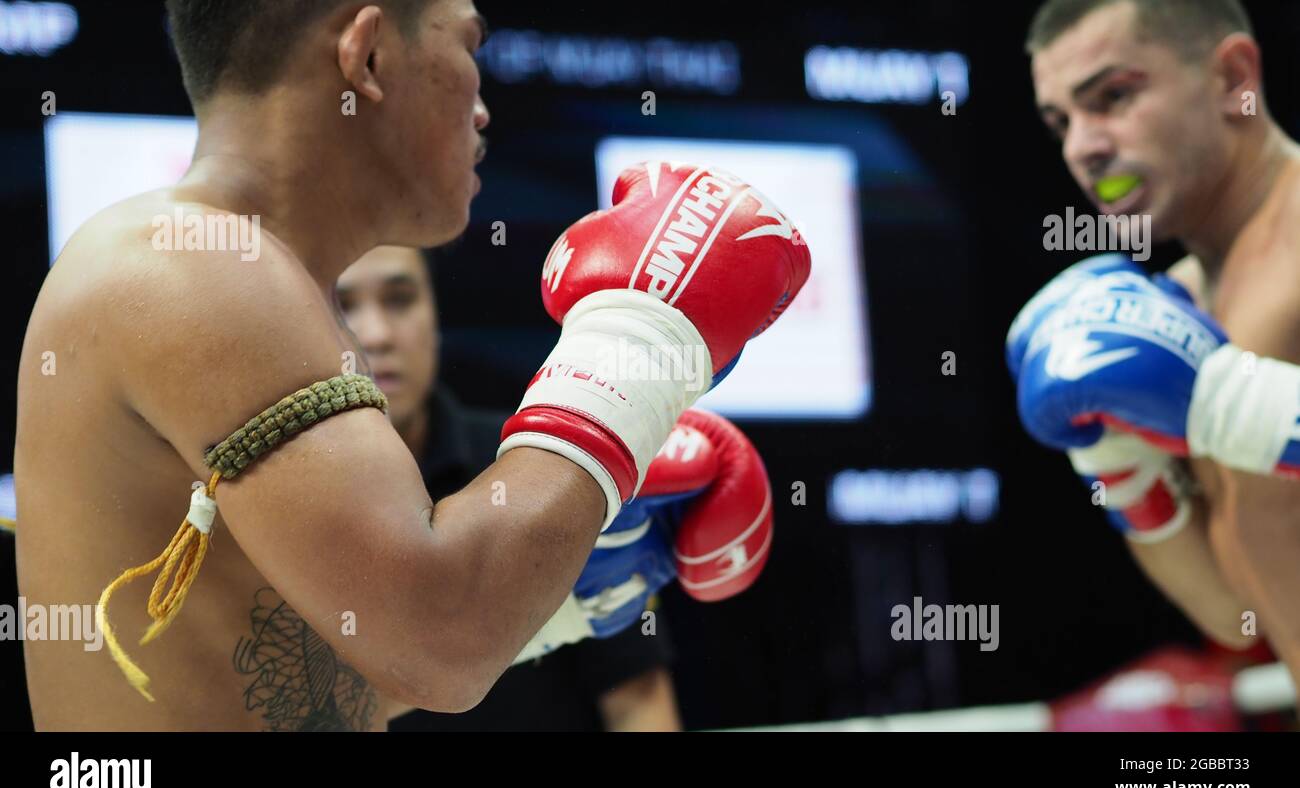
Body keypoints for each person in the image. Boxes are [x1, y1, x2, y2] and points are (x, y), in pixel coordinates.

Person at [14, 0, 808, 730]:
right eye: (468, 44)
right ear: (366, 58)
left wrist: (566, 595)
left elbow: (310, 693)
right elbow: (442, 643)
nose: (484, 107)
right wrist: (635, 342)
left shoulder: (256, 290)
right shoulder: (189, 267)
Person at [1011, 0, 1300, 676]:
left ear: (1233, 78)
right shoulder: (1176, 314)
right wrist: (1118, 467)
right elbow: (1235, 610)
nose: (1082, 147)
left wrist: (1243, 407)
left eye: (1112, 96)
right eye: (1061, 121)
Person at [336, 245, 681, 731]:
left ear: (434, 313)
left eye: (400, 299)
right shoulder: (274, 500)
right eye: (342, 305)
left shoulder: (545, 464)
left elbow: (639, 701)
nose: (377, 335)